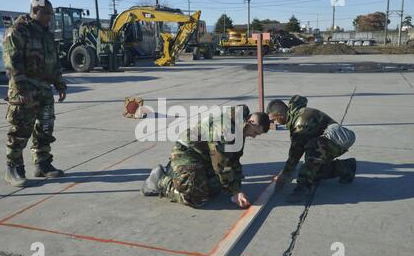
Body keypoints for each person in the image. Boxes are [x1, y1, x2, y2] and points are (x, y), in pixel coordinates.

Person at [141, 106, 271, 209]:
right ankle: (160, 180)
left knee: (215, 187)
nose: (253, 136)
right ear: (251, 122)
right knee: (197, 197)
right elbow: (221, 164)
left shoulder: (240, 126)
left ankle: (178, 174)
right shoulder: (225, 130)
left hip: (204, 156)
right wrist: (235, 193)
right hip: (187, 153)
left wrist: (236, 186)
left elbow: (234, 160)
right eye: (255, 132)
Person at [3, 0, 67, 187]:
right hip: (25, 91)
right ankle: (13, 168)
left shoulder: (46, 34)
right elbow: (12, 63)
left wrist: (60, 84)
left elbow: (53, 61)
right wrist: (21, 89)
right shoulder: (17, 31)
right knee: (21, 129)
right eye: (47, 13)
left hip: (44, 89)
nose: (50, 17)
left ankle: (42, 163)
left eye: (51, 14)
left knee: (45, 128)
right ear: (35, 10)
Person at [266, 95, 357, 203]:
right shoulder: (295, 111)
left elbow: (295, 152)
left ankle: (303, 188)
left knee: (312, 150)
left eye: (274, 120)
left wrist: (284, 174)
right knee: (314, 173)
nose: (275, 123)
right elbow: (300, 99)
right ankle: (346, 167)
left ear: (280, 115)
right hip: (332, 137)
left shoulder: (300, 124)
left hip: (338, 139)